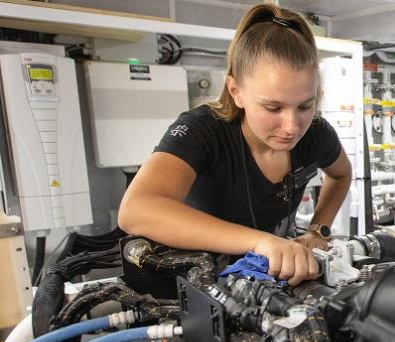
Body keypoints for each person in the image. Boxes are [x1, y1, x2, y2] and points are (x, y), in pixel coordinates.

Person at [119, 4, 351, 285]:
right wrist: (260, 242)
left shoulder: (316, 133)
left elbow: (341, 174)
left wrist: (318, 231)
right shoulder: (203, 129)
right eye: (273, 107)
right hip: (190, 286)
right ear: (236, 91)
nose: (292, 127)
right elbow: (136, 210)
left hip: (261, 283)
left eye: (305, 106)